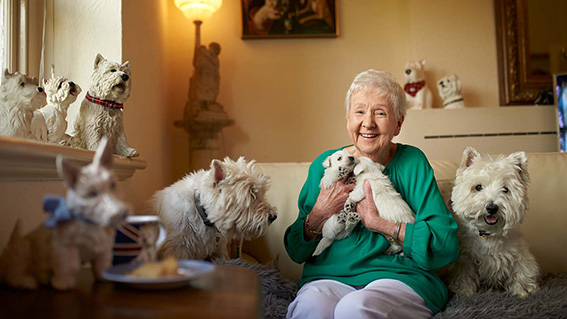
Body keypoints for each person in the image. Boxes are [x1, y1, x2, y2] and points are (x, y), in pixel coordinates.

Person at [284, 69, 460, 318]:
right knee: (309, 308)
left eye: (380, 113)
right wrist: (318, 214)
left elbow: (446, 245)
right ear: (347, 119)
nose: (368, 123)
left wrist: (381, 224)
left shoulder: (412, 162)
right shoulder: (325, 165)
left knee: (355, 308)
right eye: (359, 112)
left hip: (398, 279)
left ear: (398, 123)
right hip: (328, 278)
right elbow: (295, 250)